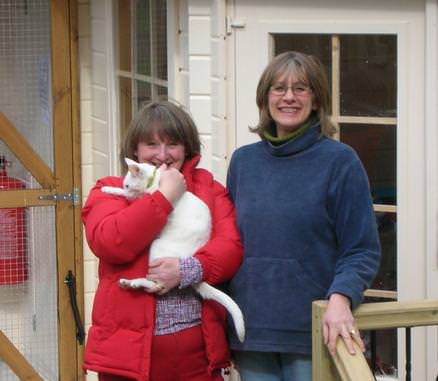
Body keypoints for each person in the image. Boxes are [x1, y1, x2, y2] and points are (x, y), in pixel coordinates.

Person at [226, 51, 381, 381]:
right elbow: (229, 244)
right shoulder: (243, 162)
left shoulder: (340, 162)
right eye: (279, 88)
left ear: (316, 100)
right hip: (252, 333)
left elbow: (362, 249)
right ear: (265, 97)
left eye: (302, 88)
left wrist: (340, 300)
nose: (289, 97)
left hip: (313, 331)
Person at [82, 100, 243, 381]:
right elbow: (110, 241)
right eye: (151, 145)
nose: (163, 155)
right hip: (128, 360)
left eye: (173, 144)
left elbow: (230, 247)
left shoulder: (209, 189)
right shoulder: (110, 189)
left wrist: (187, 269)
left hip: (196, 354)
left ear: (187, 147)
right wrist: (165, 197)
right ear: (135, 149)